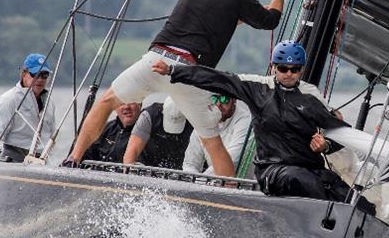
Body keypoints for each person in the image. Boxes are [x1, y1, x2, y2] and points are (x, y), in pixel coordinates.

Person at [64, 0, 293, 177]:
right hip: (188, 74)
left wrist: (239, 16)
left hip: (156, 60)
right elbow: (271, 19)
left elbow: (209, 17)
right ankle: (229, 190)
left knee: (106, 102)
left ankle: (73, 160)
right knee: (212, 142)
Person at [152, 41, 375, 214]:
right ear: (274, 67)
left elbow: (341, 131)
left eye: (295, 69)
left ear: (301, 70)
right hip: (273, 171)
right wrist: (174, 70)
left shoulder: (311, 95)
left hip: (310, 169)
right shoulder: (258, 89)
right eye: (283, 68)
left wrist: (326, 145)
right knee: (301, 179)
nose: (289, 74)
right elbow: (218, 79)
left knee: (357, 201)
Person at [0, 53, 55, 162]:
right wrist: (5, 159)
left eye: (44, 75)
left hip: (42, 164)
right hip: (13, 163)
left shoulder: (50, 103)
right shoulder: (8, 100)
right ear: (23, 74)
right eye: (35, 74)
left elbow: (51, 137)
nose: (40, 79)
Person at [182, 94, 252, 174]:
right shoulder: (203, 121)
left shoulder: (246, 121)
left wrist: (200, 182)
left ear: (234, 100)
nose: (218, 104)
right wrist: (192, 182)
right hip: (212, 183)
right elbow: (190, 164)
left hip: (243, 184)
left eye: (224, 99)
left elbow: (232, 161)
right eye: (214, 99)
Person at [123, 99, 194, 169]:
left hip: (182, 169)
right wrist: (128, 175)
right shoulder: (149, 116)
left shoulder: (196, 121)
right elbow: (132, 152)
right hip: (148, 166)